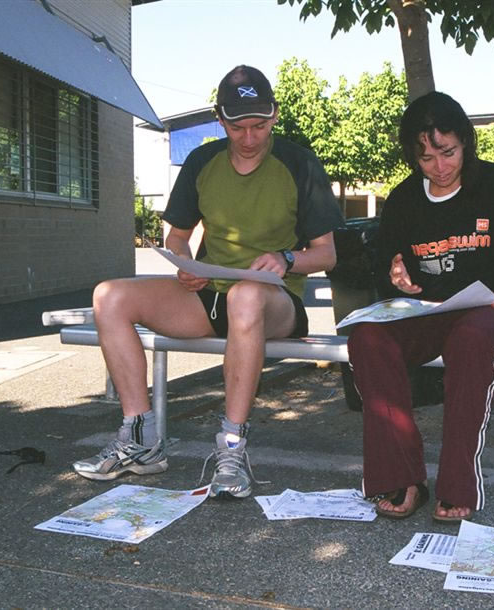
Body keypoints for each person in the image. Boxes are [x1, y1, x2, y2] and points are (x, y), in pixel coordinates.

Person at [73, 66, 343, 500]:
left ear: (274, 116)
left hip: (275, 303)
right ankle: (140, 439)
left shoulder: (298, 162)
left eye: (259, 125)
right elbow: (177, 237)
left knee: (246, 295)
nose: (250, 137)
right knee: (110, 296)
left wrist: (287, 258)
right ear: (221, 120)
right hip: (210, 296)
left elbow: (326, 253)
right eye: (238, 127)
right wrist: (183, 263)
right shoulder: (203, 161)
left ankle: (232, 449)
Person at [347, 92, 494, 522]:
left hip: (491, 314)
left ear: (465, 142)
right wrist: (396, 275)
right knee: (368, 338)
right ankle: (402, 478)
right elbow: (392, 264)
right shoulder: (403, 200)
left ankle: (458, 485)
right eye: (426, 158)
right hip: (426, 313)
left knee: (471, 339)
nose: (440, 167)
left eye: (448, 152)